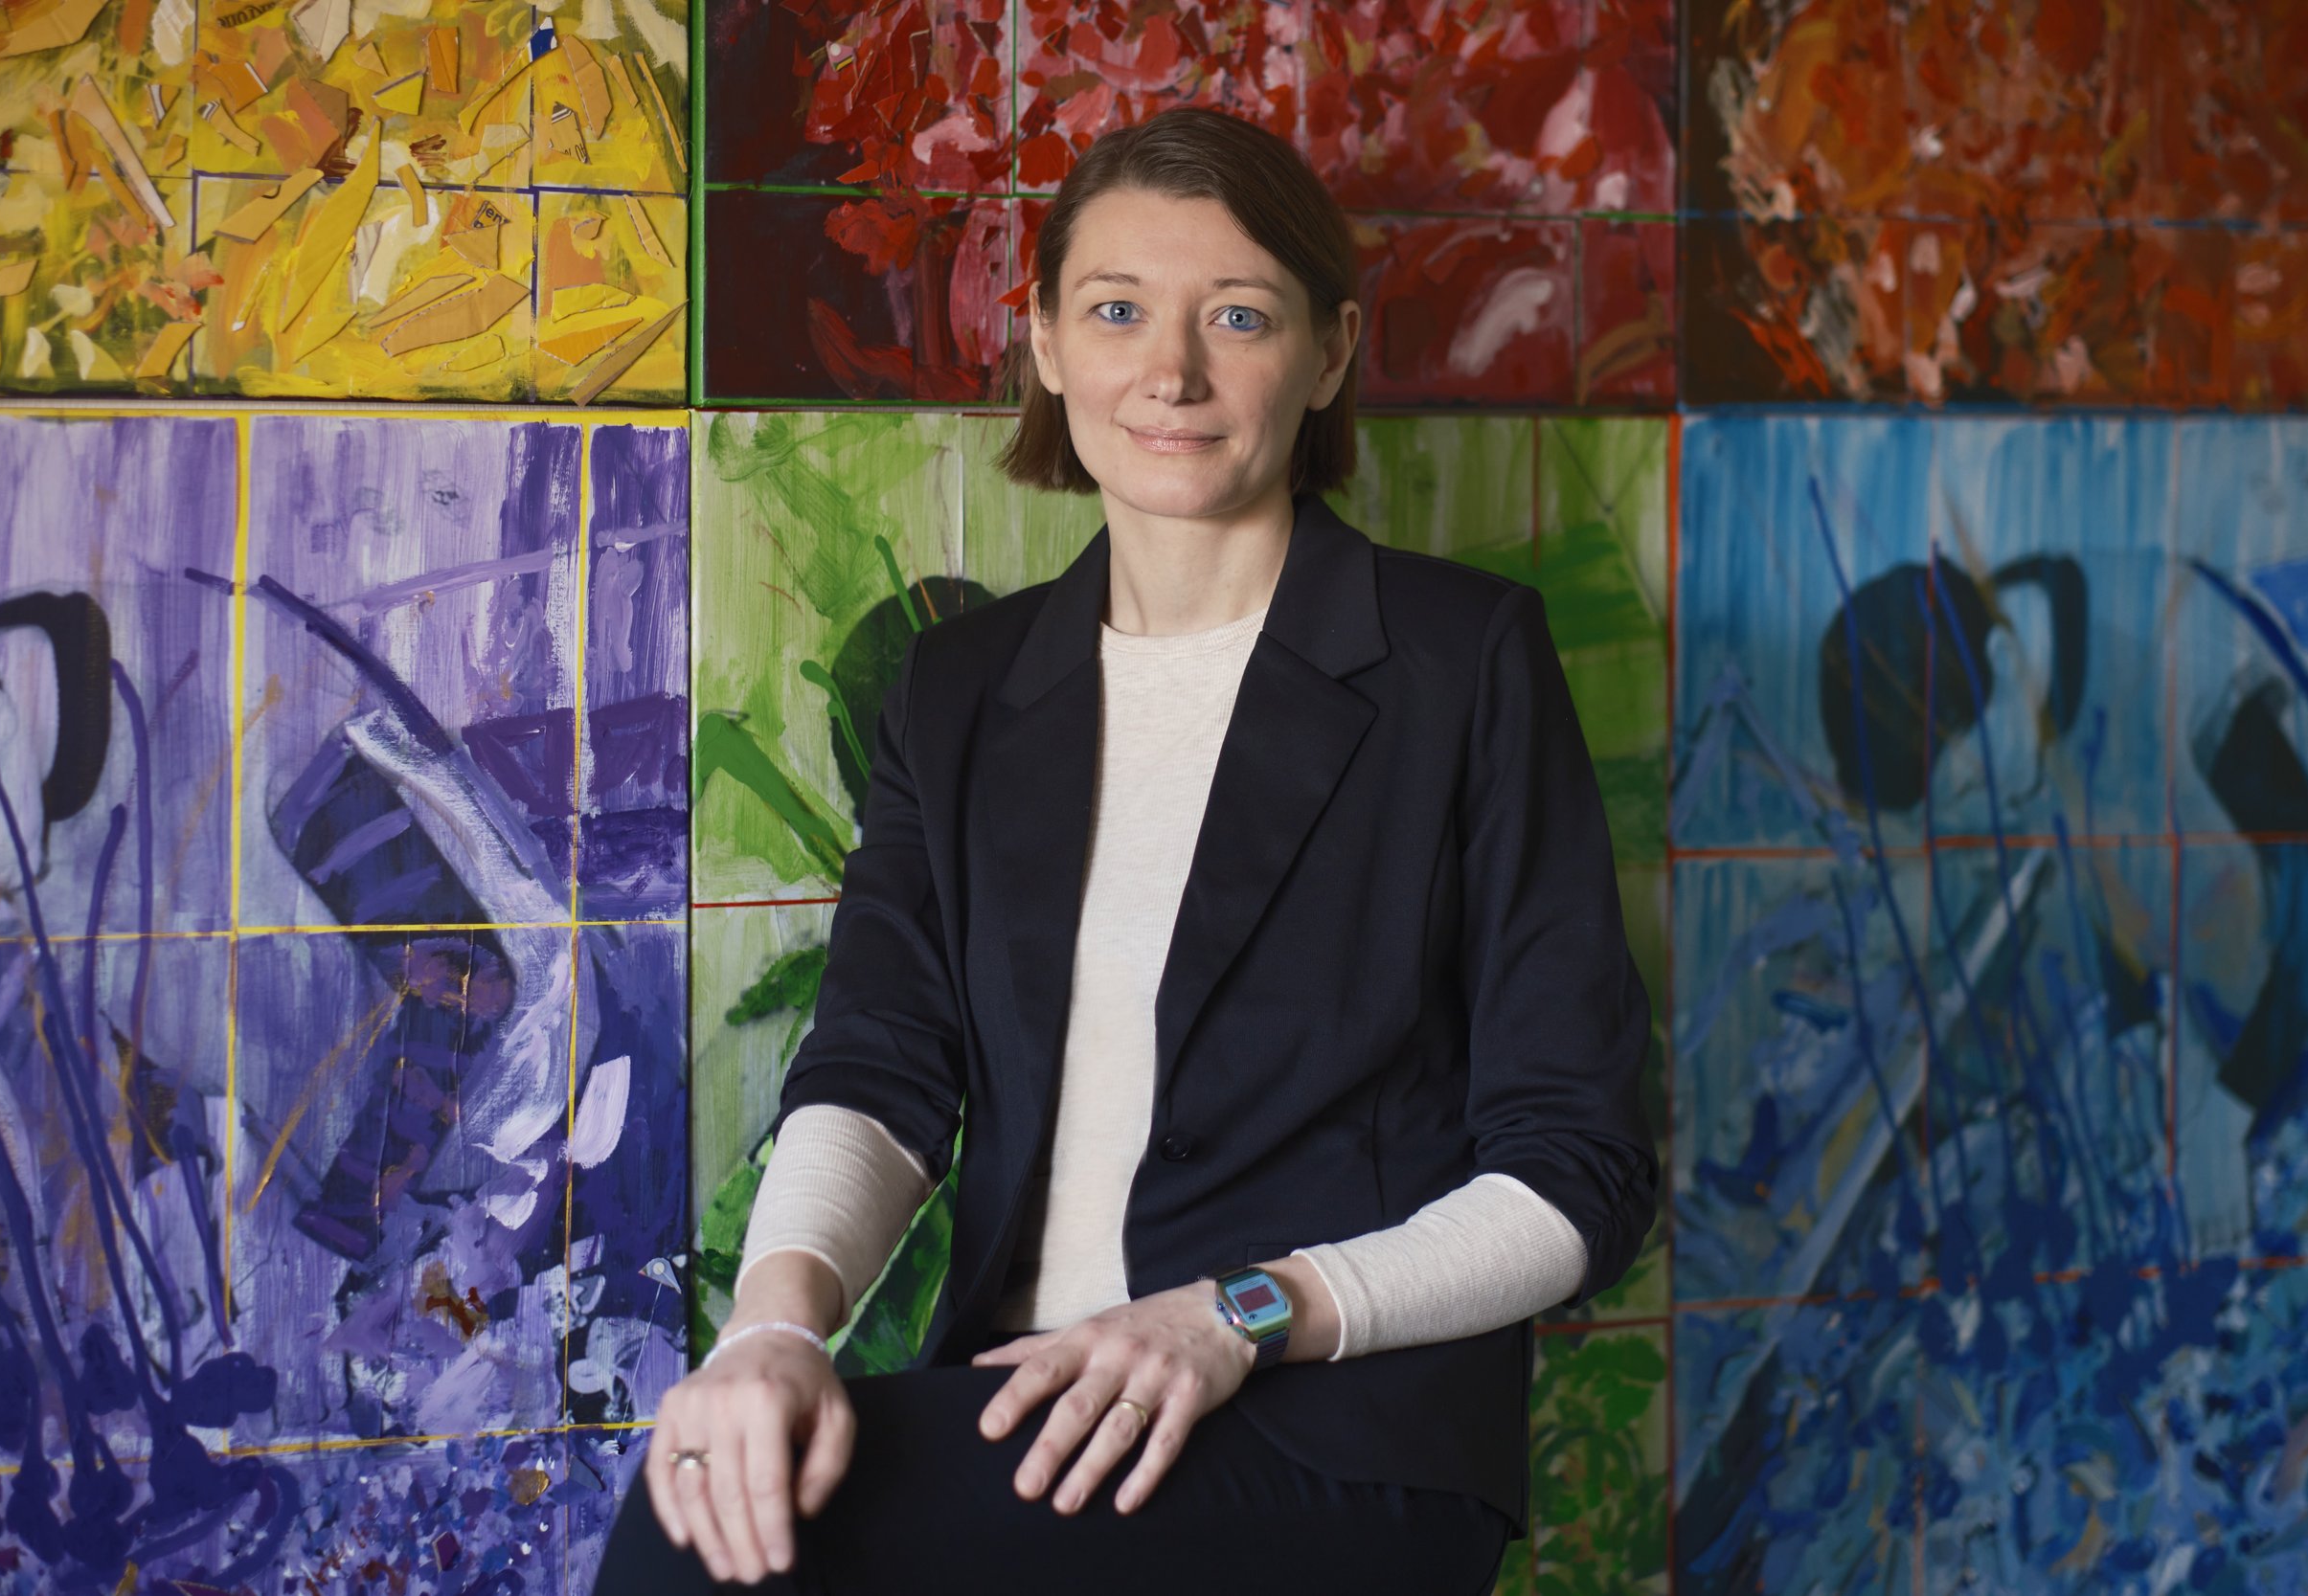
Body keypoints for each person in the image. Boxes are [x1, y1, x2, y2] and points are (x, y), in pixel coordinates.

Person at [592, 105, 1659, 1593]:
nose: (1171, 373)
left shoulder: (1459, 662)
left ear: (1330, 353)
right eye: (1116, 311)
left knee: (690, 1559)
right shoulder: (958, 687)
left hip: (1328, 1431)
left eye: (1238, 315)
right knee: (707, 1487)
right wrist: (774, 1330)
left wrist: (1235, 1313)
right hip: (1033, 1401)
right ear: (1042, 341)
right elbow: (882, 1073)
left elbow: (1580, 1171)